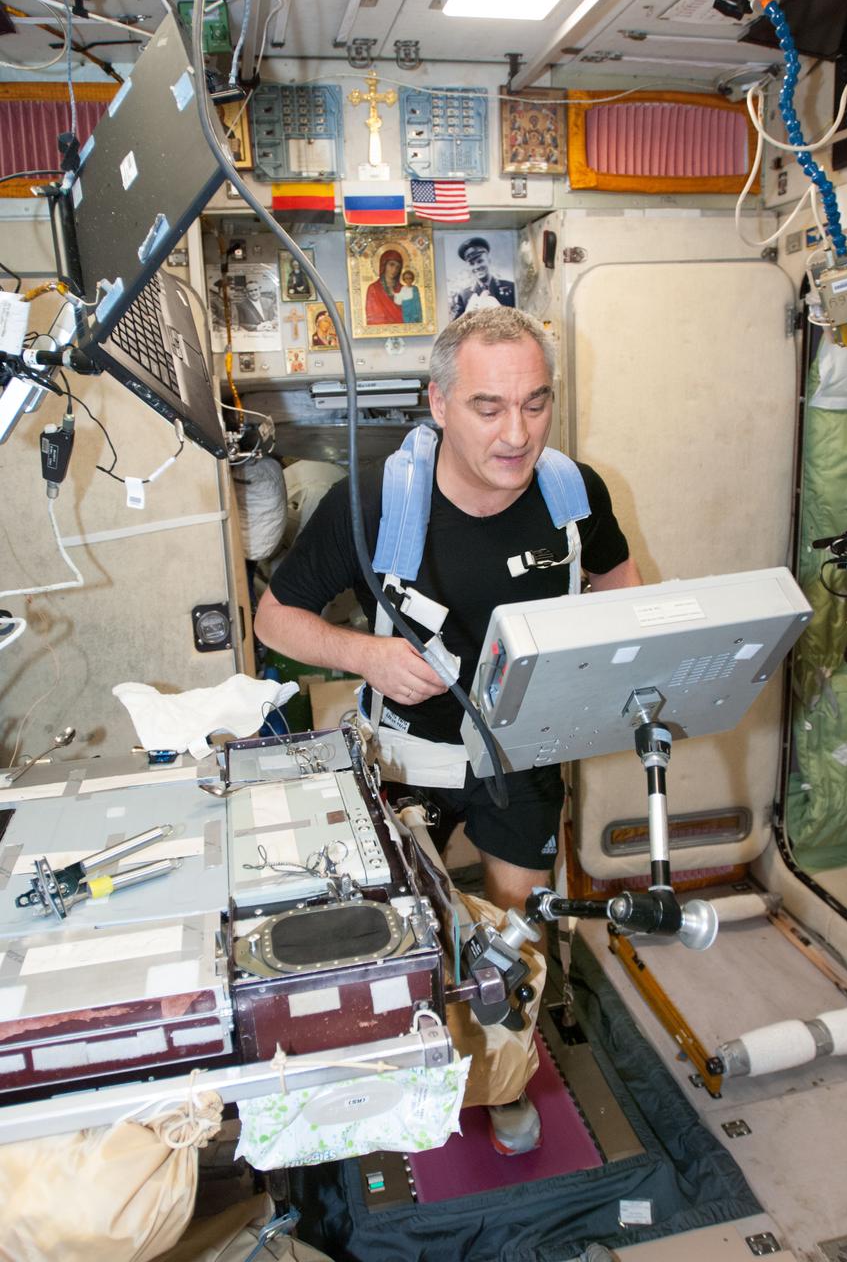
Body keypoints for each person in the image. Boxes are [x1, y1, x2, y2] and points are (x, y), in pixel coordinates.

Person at [254, 307, 641, 1154]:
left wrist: (612, 669)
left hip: (521, 752)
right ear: (438, 402)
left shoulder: (574, 496)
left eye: (536, 404)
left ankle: (501, 1075)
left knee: (513, 936)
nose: (517, 433)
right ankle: (397, 1074)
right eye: (488, 407)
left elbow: (618, 580)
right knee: (400, 936)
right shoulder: (370, 502)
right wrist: (366, 655)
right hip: (403, 751)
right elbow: (274, 618)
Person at [450, 237, 515, 320]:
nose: (477, 266)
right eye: (471, 264)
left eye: (480, 261)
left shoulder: (510, 287)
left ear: (489, 260)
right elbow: (456, 327)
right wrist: (467, 314)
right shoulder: (463, 296)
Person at [364, 248, 405, 325]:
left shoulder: (403, 289)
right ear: (384, 264)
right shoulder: (373, 289)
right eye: (391, 264)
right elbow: (373, 316)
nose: (394, 269)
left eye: (398, 267)